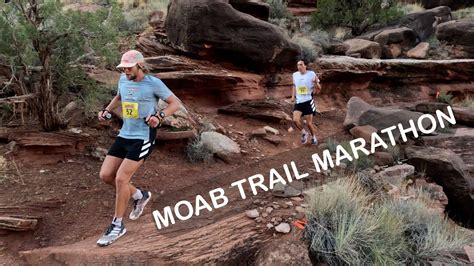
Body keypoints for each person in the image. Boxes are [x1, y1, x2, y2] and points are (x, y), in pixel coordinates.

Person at [96, 50, 181, 247]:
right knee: (106, 175)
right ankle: (139, 195)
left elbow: (175, 104)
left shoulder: (153, 83)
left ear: (140, 66)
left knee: (121, 178)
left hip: (143, 137)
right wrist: (107, 111)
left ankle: (117, 225)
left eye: (129, 67)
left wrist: (159, 116)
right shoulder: (123, 79)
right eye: (123, 67)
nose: (125, 70)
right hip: (125, 134)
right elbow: (119, 97)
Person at [290, 60, 321, 145]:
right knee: (295, 120)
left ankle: (313, 137)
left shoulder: (311, 74)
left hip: (308, 102)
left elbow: (319, 88)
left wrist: (316, 83)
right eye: (298, 65)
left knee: (309, 123)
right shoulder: (295, 75)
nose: (299, 66)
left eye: (301, 64)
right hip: (299, 101)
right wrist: (293, 96)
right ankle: (304, 133)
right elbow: (294, 86)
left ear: (305, 66)